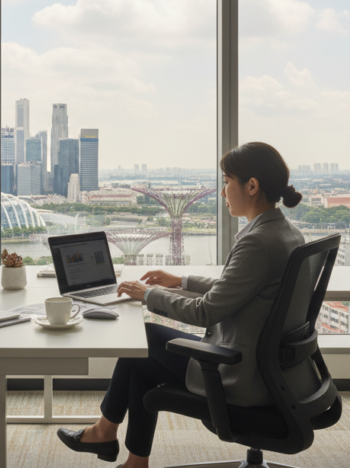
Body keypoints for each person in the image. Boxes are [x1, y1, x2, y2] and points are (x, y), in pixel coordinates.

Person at [56, 142, 306, 468]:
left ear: (252, 186)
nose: (222, 192)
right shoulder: (286, 234)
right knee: (141, 358)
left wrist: (147, 294)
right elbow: (236, 289)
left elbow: (206, 311)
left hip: (240, 373)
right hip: (275, 370)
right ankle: (128, 456)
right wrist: (181, 280)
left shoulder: (257, 242)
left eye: (227, 181)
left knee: (142, 342)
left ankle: (105, 434)